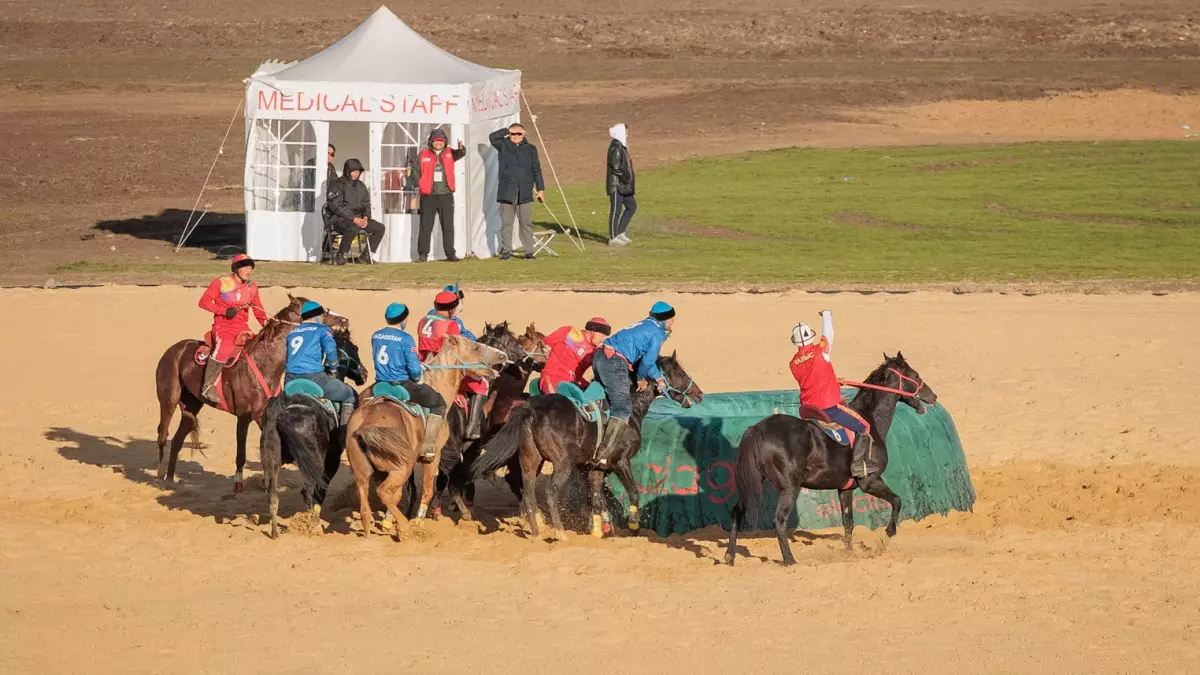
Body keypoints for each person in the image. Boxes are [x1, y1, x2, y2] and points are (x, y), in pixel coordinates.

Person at [789, 310, 873, 478]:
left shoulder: (792, 363)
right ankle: (857, 466)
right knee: (864, 427)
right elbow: (829, 334)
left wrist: (833, 380)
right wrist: (826, 315)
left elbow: (812, 379)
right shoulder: (821, 351)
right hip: (829, 407)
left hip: (807, 408)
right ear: (811, 337)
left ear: (795, 342)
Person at [590, 302, 675, 462]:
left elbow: (646, 360)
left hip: (600, 357)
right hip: (613, 362)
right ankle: (603, 455)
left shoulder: (646, 324)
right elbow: (648, 362)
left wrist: (657, 377)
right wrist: (640, 378)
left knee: (608, 401)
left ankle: (594, 436)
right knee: (623, 409)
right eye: (670, 320)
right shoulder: (657, 333)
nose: (672, 324)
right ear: (663, 320)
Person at [372, 302, 448, 459]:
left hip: (379, 384)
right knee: (439, 403)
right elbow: (413, 370)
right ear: (403, 320)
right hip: (403, 385)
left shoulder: (376, 335)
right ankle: (427, 447)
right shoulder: (406, 339)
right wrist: (418, 376)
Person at [197, 254, 269, 405]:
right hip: (223, 326)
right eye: (245, 267)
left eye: (251, 267)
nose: (249, 270)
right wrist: (223, 311)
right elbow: (203, 302)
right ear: (236, 268)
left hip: (243, 327)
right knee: (224, 348)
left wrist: (267, 326)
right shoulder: (221, 283)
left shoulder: (252, 286)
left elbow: (258, 309)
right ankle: (208, 385)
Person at [417, 290, 489, 440]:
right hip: (442, 370)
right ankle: (473, 428)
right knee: (482, 384)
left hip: (423, 367)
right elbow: (457, 354)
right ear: (451, 309)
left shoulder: (423, 320)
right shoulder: (451, 325)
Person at [284, 301, 358, 428]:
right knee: (350, 395)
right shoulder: (322, 329)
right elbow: (331, 350)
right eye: (323, 316)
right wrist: (334, 368)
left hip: (289, 380)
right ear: (317, 317)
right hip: (314, 378)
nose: (323, 319)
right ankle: (344, 436)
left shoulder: (292, 332)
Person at [489, 123, 545, 261]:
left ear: (524, 134)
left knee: (526, 223)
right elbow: (492, 137)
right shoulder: (503, 145)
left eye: (519, 134)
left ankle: (528, 251)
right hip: (507, 192)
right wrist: (507, 131)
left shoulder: (531, 149)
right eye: (513, 134)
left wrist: (540, 189)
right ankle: (507, 250)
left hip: (524, 191)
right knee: (507, 223)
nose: (516, 137)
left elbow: (536, 170)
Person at [411, 129, 466, 262]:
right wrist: (420, 184)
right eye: (436, 141)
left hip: (446, 194)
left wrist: (461, 148)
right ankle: (423, 254)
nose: (438, 143)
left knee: (448, 226)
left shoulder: (450, 153)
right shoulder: (423, 154)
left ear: (445, 142)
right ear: (431, 141)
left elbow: (461, 154)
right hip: (428, 195)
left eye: (441, 141)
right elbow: (416, 171)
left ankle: (450, 254)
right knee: (425, 225)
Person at [324, 158, 385, 265]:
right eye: (353, 171)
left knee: (379, 228)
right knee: (353, 226)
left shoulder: (360, 185)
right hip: (339, 219)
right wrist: (353, 218)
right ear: (347, 170)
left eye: (358, 171)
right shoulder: (336, 184)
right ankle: (340, 255)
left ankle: (366, 256)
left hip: (358, 218)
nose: (356, 173)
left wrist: (366, 217)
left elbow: (366, 203)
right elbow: (336, 206)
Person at [538, 317, 611, 395]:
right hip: (553, 377)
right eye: (602, 335)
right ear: (593, 331)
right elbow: (543, 346)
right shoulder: (568, 332)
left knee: (599, 395)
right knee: (558, 401)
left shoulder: (595, 351)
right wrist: (546, 349)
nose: (602, 339)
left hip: (575, 381)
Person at [605, 123, 636, 246]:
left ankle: (621, 232)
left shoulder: (621, 146)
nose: (628, 135)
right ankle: (613, 237)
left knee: (631, 206)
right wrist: (626, 177)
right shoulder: (616, 147)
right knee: (616, 210)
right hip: (617, 185)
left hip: (624, 185)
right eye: (626, 132)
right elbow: (616, 167)